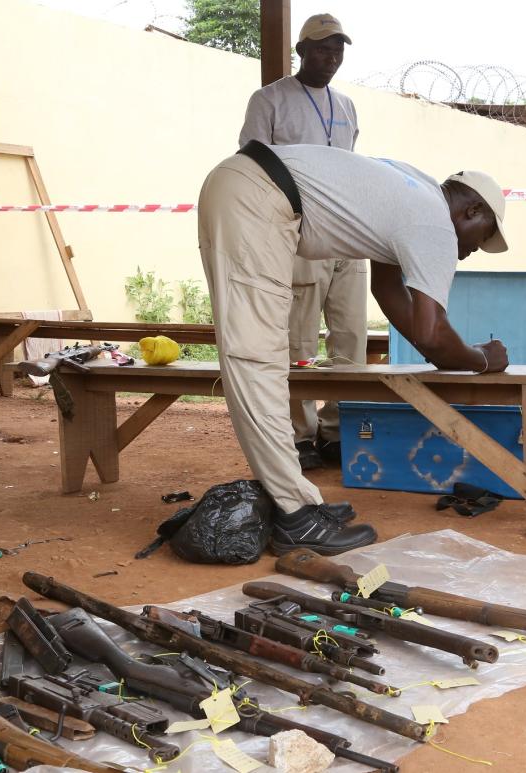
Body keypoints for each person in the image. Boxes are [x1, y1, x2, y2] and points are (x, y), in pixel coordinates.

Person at [198, 142, 509, 555]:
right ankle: (296, 516)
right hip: (259, 197)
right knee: (258, 359)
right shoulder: (436, 225)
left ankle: (297, 502)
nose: (470, 252)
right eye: (481, 237)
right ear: (472, 211)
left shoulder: (415, 191)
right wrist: (482, 358)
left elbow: (389, 291)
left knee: (260, 358)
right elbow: (432, 334)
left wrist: (447, 351)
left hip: (250, 186)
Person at [238, 13, 365, 471]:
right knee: (301, 342)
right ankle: (301, 435)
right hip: (299, 233)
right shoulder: (270, 100)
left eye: (338, 49)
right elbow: (252, 165)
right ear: (301, 51)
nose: (332, 57)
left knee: (351, 339)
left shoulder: (347, 106)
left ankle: (337, 432)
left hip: (347, 234)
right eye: (323, 49)